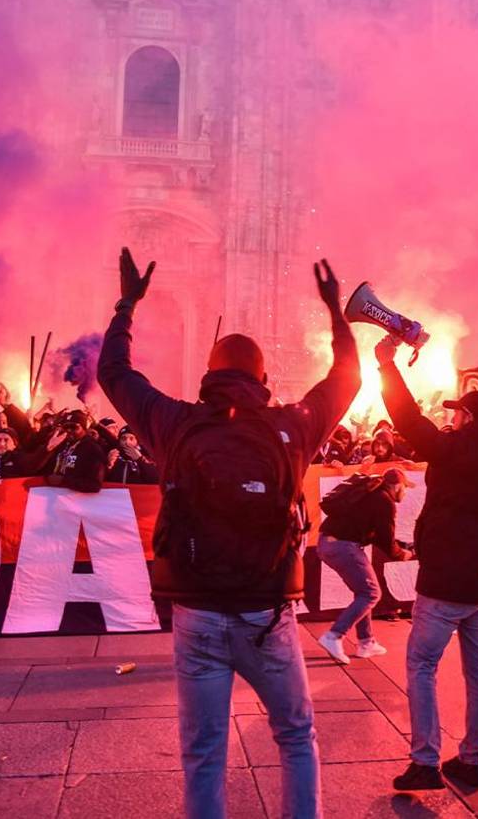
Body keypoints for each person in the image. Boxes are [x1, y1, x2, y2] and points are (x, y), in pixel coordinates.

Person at [97, 249, 360, 819]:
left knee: (203, 752)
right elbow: (346, 379)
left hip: (197, 612)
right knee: (294, 735)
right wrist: (336, 315)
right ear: (263, 380)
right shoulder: (291, 427)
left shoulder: (174, 423)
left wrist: (126, 306)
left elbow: (113, 374)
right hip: (268, 613)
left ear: (209, 377)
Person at [379, 324, 478, 792]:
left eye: (459, 413)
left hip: (444, 582)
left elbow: (406, 419)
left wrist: (386, 366)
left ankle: (425, 762)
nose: (454, 418)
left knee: (421, 666)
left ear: (466, 418)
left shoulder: (451, 449)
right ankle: (472, 759)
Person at [315, 468, 414, 663]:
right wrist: (404, 554)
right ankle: (334, 635)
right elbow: (386, 541)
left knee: (363, 591)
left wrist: (401, 546)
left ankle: (366, 642)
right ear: (396, 486)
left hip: (328, 543)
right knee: (371, 593)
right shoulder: (384, 501)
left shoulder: (370, 494)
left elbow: (377, 535)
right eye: (405, 487)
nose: (406, 492)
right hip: (344, 546)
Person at [45, 410, 106, 493]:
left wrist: (64, 481)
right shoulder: (61, 445)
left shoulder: (93, 449)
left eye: (73, 427)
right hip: (54, 496)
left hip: (77, 501)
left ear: (84, 428)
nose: (69, 430)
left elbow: (94, 485)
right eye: (66, 427)